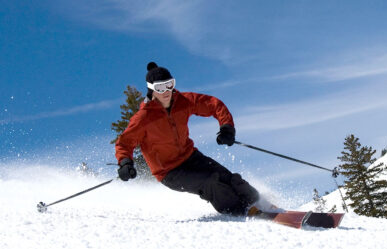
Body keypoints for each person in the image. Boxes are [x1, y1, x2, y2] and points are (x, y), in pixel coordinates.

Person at [115, 62, 271, 216]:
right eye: (160, 88)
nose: (166, 91)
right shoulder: (144, 118)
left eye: (169, 85)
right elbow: (124, 143)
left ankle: (258, 200)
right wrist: (125, 163)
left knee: (227, 177)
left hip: (191, 157)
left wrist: (227, 128)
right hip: (169, 171)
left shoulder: (183, 101)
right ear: (151, 90)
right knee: (211, 182)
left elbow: (213, 105)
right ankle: (239, 210)